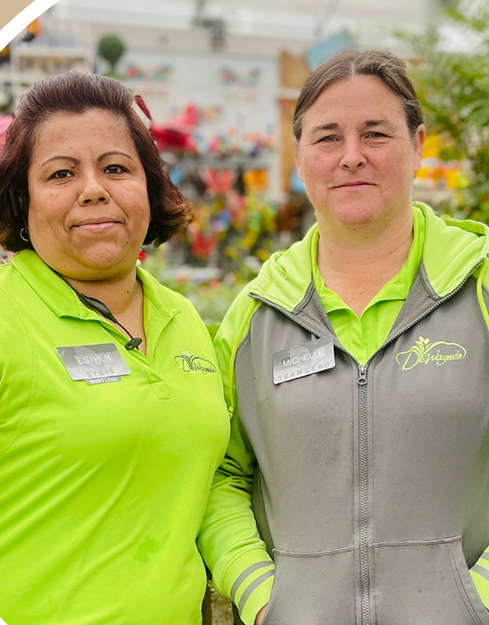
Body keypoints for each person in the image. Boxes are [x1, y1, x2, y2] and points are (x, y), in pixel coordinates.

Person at [0, 71, 228, 623]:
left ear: (148, 186)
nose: (93, 188)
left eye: (116, 168)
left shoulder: (182, 318)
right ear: (22, 199)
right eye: (61, 173)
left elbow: (203, 483)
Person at [200, 48, 489, 625]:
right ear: (300, 157)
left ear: (418, 145)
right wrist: (262, 596)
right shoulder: (256, 315)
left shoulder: (479, 285)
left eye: (376, 134)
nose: (351, 157)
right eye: (328, 138)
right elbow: (220, 477)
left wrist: (478, 599)